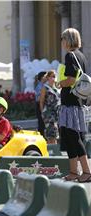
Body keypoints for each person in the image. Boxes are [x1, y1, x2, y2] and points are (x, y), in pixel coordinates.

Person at [58, 28, 91, 182]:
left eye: (63, 39)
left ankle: (86, 171)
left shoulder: (70, 55)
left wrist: (60, 83)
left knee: (74, 137)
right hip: (76, 102)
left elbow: (71, 79)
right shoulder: (81, 56)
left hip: (70, 103)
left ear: (68, 40)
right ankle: (73, 171)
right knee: (70, 137)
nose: (62, 42)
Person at [39, 70, 60, 144]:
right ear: (48, 78)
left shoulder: (56, 87)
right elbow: (41, 101)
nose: (54, 78)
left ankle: (53, 150)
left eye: (54, 76)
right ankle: (52, 151)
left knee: (54, 133)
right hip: (48, 113)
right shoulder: (45, 88)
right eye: (52, 76)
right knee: (51, 133)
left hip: (56, 113)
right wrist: (43, 113)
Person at [34, 71, 47, 137]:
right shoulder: (39, 86)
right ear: (42, 77)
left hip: (42, 104)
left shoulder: (43, 85)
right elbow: (39, 98)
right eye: (46, 76)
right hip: (39, 105)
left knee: (43, 123)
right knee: (41, 123)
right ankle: (42, 137)